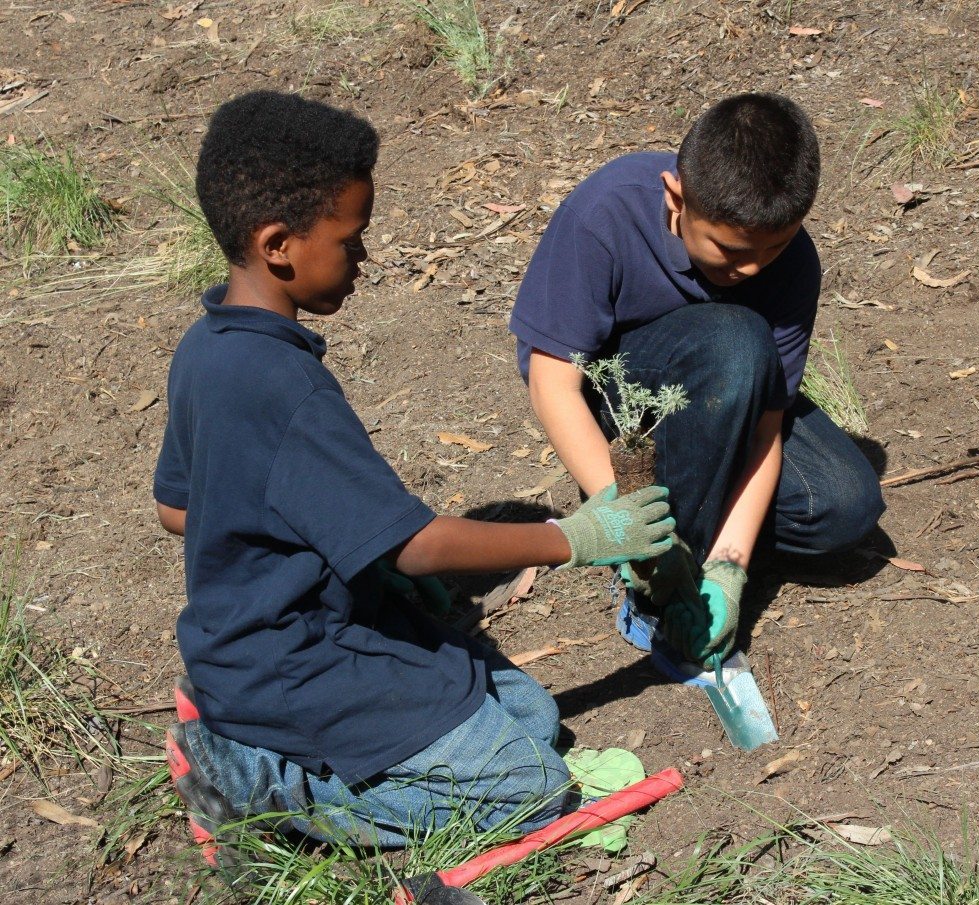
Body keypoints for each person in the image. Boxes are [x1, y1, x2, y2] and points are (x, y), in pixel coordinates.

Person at [154, 90, 676, 866]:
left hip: (265, 646)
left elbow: (176, 508)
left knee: (532, 714)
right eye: (350, 239)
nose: (364, 259)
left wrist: (323, 547)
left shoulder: (208, 345)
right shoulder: (281, 385)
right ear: (277, 244)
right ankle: (254, 780)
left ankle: (252, 734)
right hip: (296, 668)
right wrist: (578, 536)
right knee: (533, 784)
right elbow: (417, 547)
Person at [509, 92, 884, 672]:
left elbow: (766, 430)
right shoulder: (606, 213)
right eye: (732, 251)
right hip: (622, 405)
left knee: (844, 508)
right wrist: (625, 522)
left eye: (774, 248)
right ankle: (651, 574)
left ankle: (701, 549)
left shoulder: (794, 263)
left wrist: (731, 566)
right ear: (675, 196)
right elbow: (551, 384)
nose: (754, 268)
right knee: (734, 341)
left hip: (731, 391)